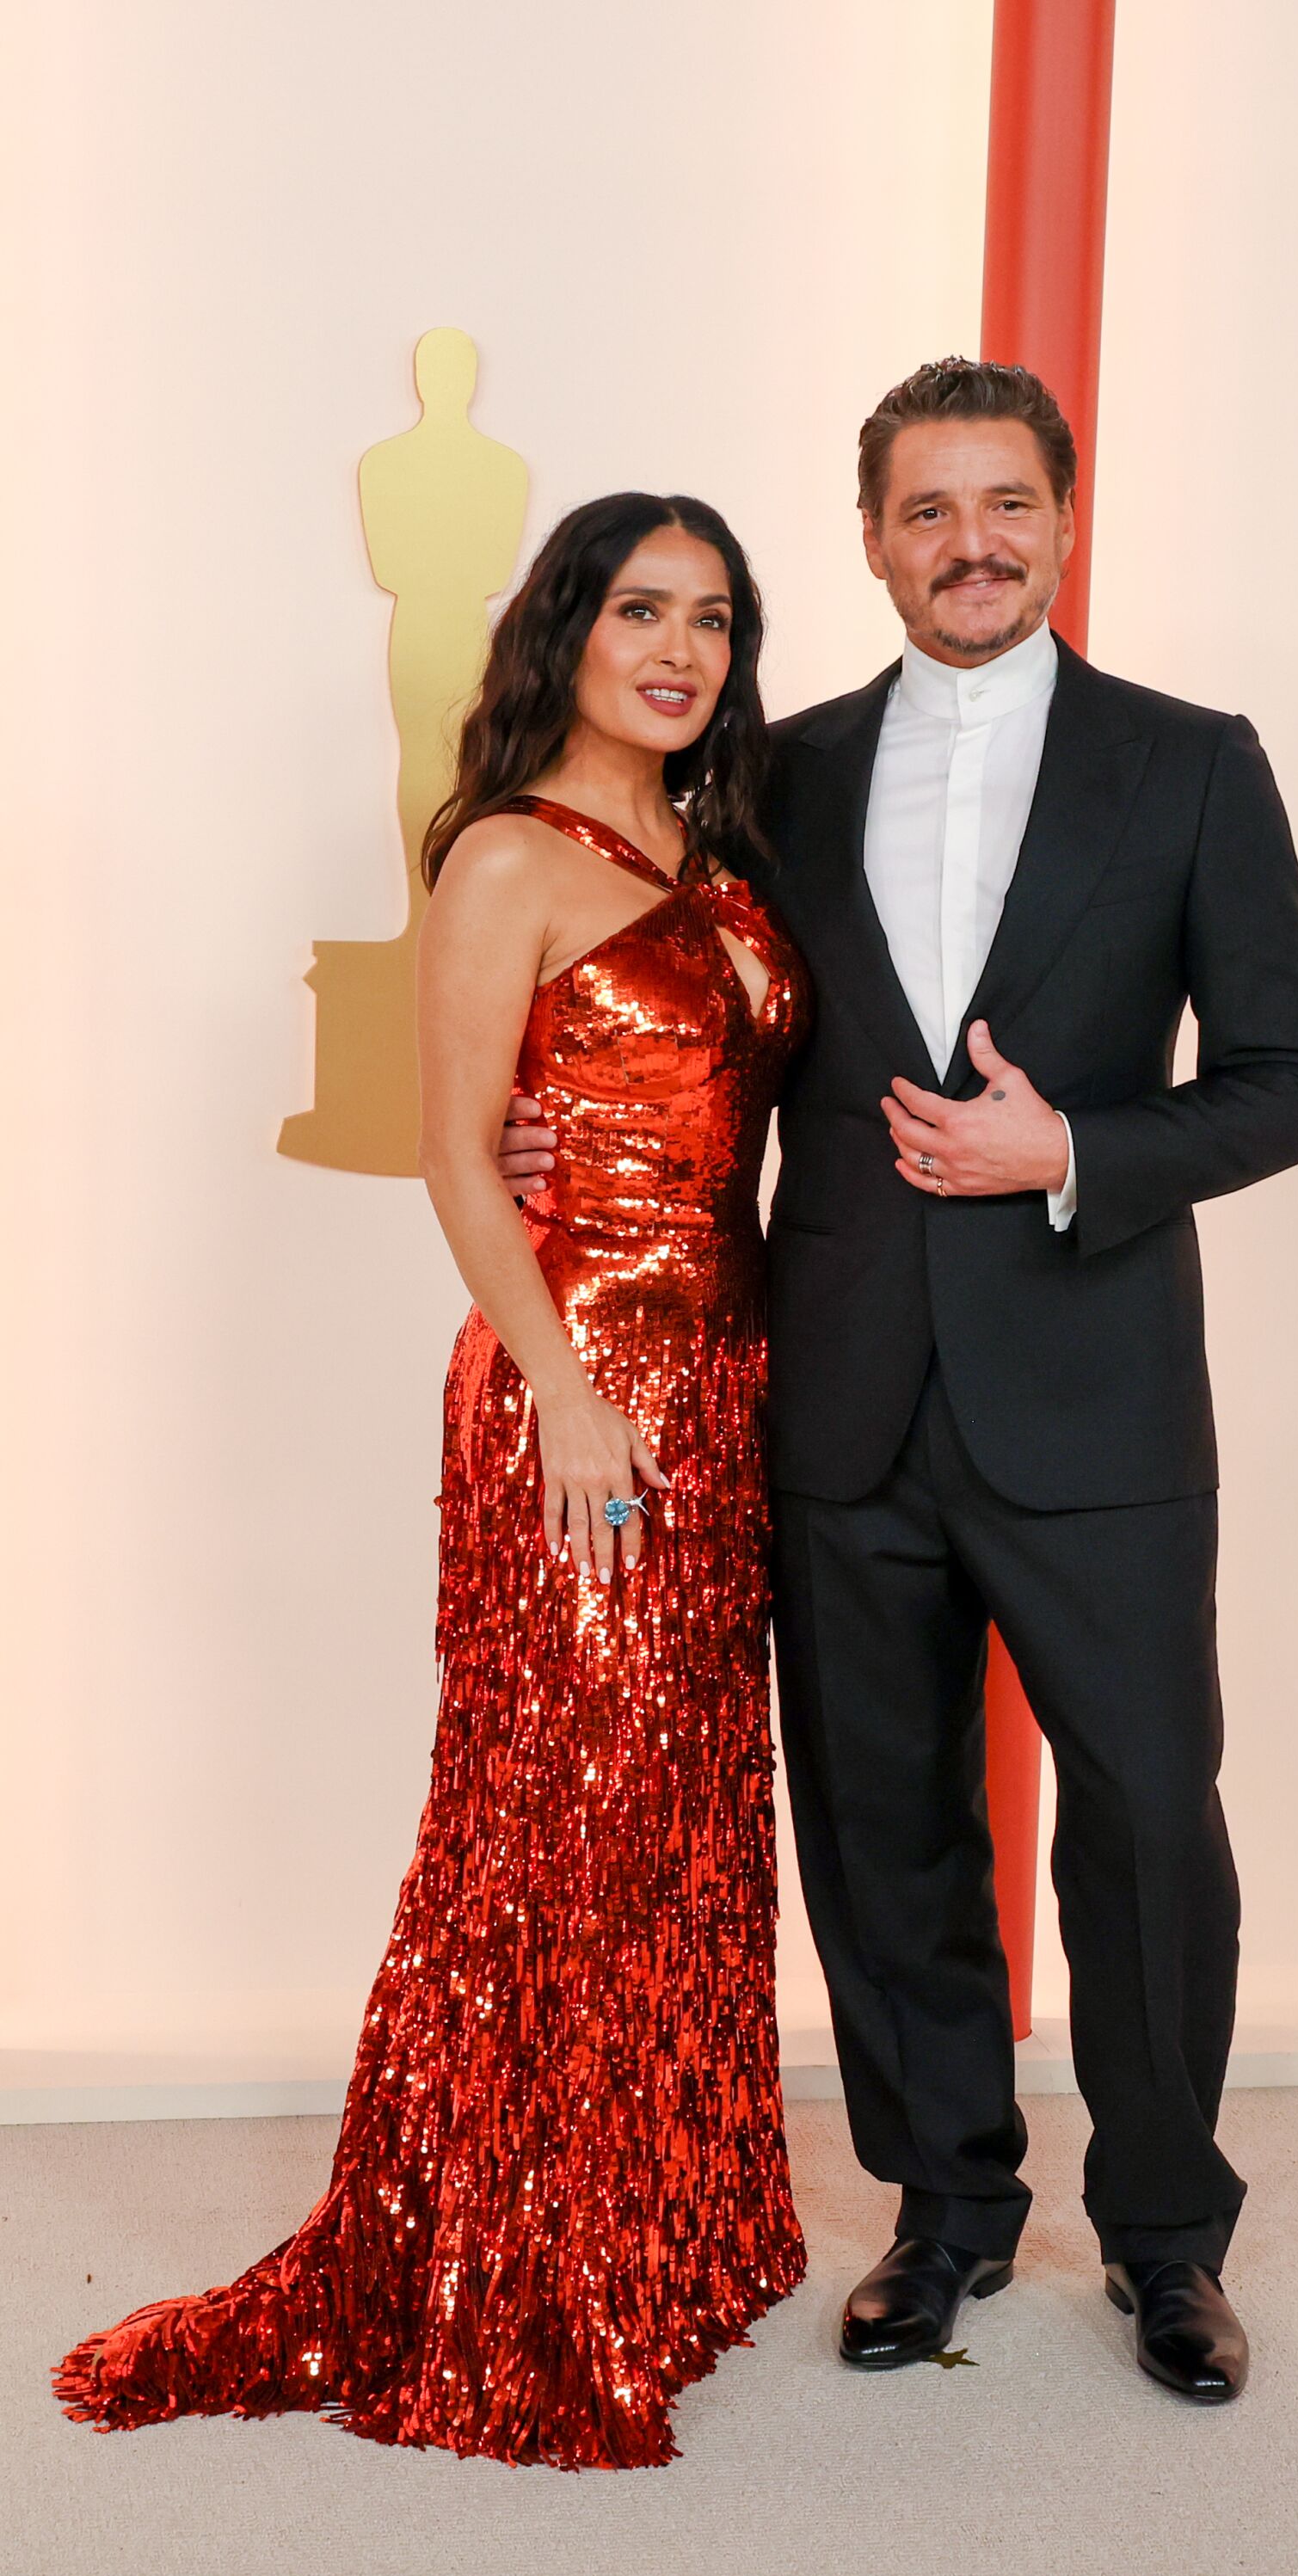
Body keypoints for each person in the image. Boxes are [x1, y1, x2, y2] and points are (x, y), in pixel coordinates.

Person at [501, 360, 1298, 2403]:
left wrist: (1073, 1152)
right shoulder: (766, 777)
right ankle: (947, 2213)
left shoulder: (1194, 764)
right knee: (883, 1830)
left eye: (1007, 504)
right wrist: (558, 1132)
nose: (970, 541)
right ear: (872, 537)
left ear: (1064, 519)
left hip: (1102, 1404)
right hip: (842, 1395)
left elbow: (1293, 1080)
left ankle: (1162, 2238)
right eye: (925, 509)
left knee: (1146, 1824)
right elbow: (691, 1026)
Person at [56, 494, 810, 2468]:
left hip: (724, 1385)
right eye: (640, 608)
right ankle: (509, 2262)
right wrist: (565, 1390)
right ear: (560, 629)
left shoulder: (716, 846)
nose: (680, 648)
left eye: (714, 620)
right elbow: (462, 1155)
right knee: (552, 1821)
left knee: (677, 1816)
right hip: (581, 1400)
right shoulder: (506, 859)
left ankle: (657, 2222)